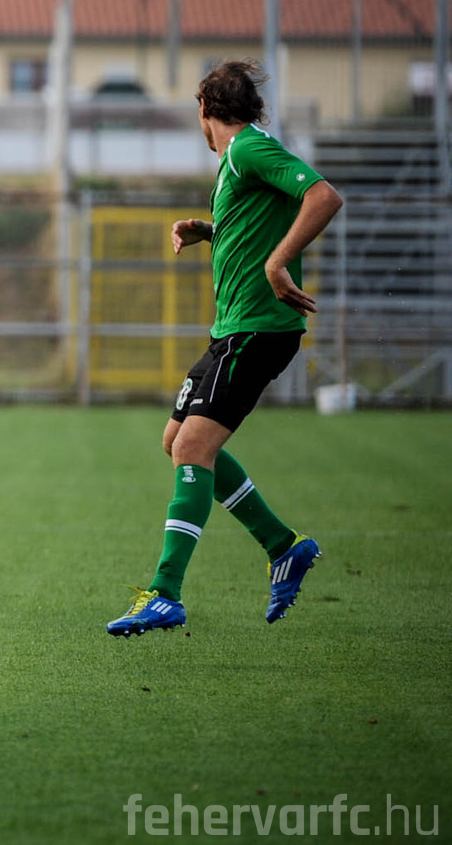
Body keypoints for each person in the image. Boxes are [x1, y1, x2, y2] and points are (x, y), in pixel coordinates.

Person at [107, 60, 343, 637]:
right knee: (177, 441)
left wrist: (278, 263)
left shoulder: (246, 150)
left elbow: (323, 196)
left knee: (192, 447)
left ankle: (165, 593)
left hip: (257, 330)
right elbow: (261, 218)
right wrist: (211, 230)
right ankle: (283, 545)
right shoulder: (243, 155)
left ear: (204, 109)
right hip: (235, 329)